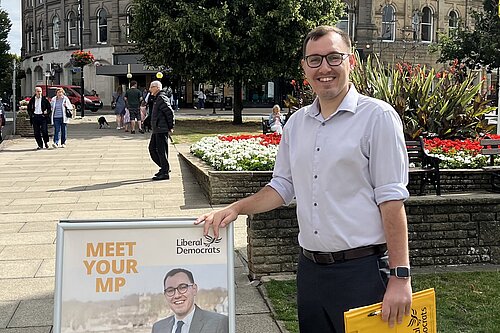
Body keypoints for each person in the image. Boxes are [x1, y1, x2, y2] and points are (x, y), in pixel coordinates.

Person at [196, 25, 412, 333]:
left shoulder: (377, 118)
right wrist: (236, 208)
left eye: (334, 58)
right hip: (310, 272)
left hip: (361, 273)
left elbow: (391, 200)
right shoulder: (296, 124)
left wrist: (400, 277)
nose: (324, 68)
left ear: (351, 62)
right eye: (315, 60)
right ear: (304, 68)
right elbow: (282, 187)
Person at [152, 268, 229, 333]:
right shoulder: (158, 328)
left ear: (194, 289)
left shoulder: (218, 323)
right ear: (165, 295)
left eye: (182, 287)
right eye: (170, 290)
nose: (177, 295)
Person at [148, 80, 174, 181]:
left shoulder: (161, 98)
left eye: (151, 87)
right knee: (152, 149)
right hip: (157, 128)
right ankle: (164, 168)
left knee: (160, 151)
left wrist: (171, 126)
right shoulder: (156, 98)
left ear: (157, 88)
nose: (150, 89)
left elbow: (169, 112)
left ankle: (165, 171)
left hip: (161, 128)